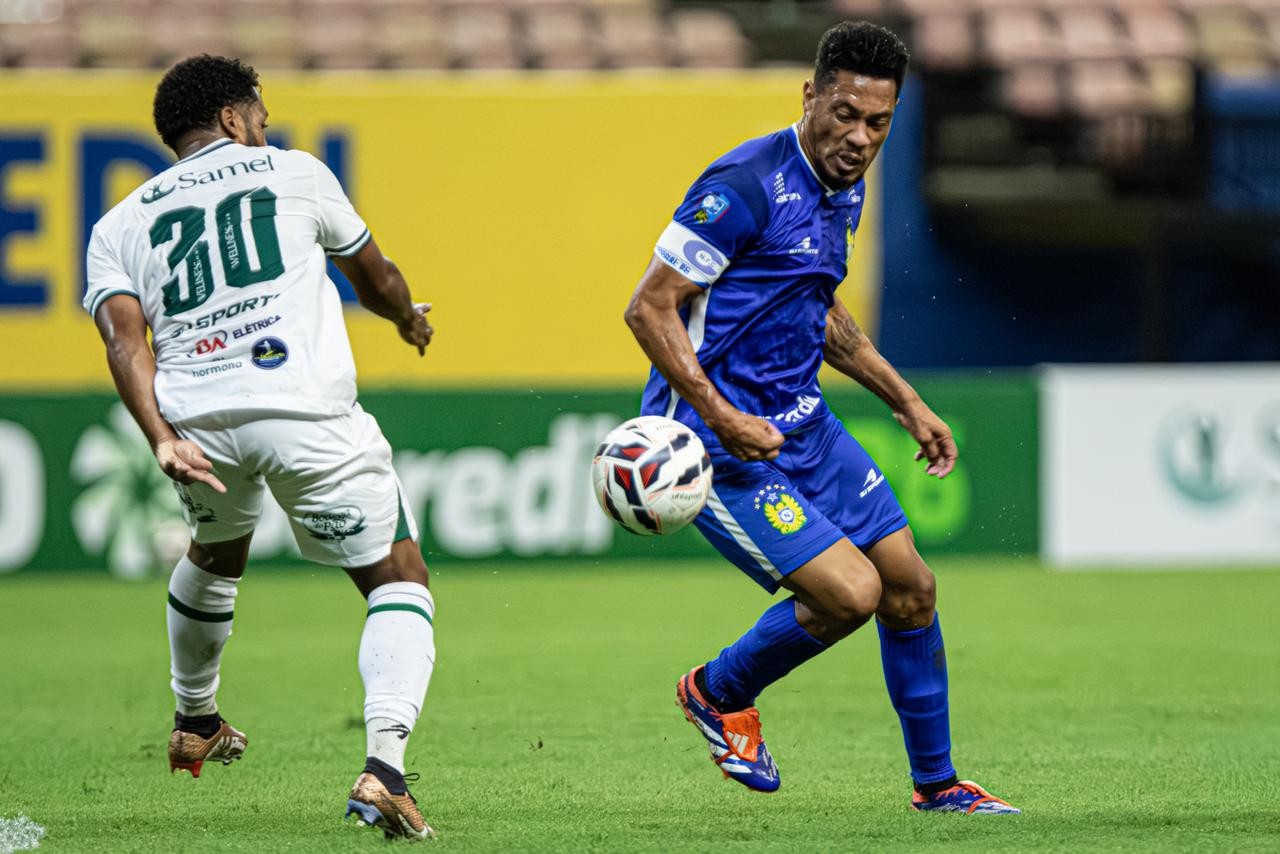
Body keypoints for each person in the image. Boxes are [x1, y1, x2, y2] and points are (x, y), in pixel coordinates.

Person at [624, 22, 1019, 814]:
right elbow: (648, 308)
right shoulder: (741, 184)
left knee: (911, 588)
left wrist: (906, 401)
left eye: (879, 123)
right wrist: (721, 414)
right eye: (844, 114)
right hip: (714, 448)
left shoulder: (848, 187)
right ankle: (716, 691)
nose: (859, 137)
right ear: (810, 95)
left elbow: (819, 310)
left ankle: (938, 788)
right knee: (850, 595)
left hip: (803, 426)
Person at [85, 55, 439, 839]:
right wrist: (406, 319)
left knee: (216, 550)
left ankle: (195, 718)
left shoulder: (118, 224)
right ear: (236, 119)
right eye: (262, 116)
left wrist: (160, 440)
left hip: (197, 426)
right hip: (300, 411)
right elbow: (373, 276)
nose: (266, 129)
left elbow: (124, 342)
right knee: (397, 574)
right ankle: (384, 772)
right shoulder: (294, 173)